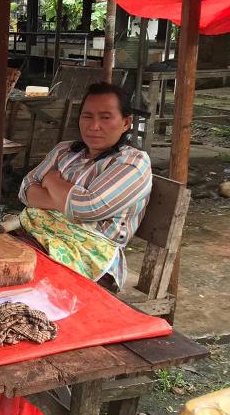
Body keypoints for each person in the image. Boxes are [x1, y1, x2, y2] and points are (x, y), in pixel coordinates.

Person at [18, 82, 152, 291]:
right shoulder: (65, 151)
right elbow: (26, 190)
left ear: (126, 122)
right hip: (40, 238)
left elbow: (88, 209)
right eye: (87, 116)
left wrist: (52, 181)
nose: (94, 126)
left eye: (105, 117)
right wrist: (68, 202)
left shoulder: (132, 163)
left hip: (89, 259)